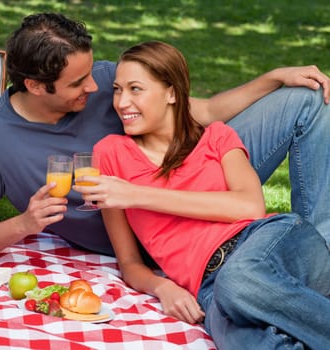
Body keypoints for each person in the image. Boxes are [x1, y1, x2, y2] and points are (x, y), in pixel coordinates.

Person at [0, 12, 330, 259]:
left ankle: (321, 255)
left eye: (92, 73)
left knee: (305, 96)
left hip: (202, 186)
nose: (97, 88)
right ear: (34, 85)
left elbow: (206, 112)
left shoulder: (105, 80)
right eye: (78, 83)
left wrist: (273, 78)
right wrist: (25, 223)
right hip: (151, 242)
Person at [86, 40, 330, 349]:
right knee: (246, 342)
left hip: (266, 243)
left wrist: (137, 194)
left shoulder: (216, 137)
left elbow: (250, 206)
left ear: (172, 93)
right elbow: (130, 262)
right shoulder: (110, 153)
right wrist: (163, 288)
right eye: (118, 90)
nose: (121, 102)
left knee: (239, 282)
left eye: (136, 89)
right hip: (209, 288)